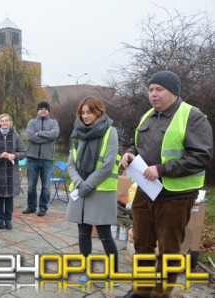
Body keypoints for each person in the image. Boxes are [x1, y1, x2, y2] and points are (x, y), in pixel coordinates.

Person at [118, 70, 213, 298]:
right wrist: (130, 153)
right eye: (150, 90)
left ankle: (160, 294)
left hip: (175, 196)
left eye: (159, 89)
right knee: (142, 245)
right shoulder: (147, 116)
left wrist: (162, 169)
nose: (153, 94)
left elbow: (202, 156)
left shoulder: (192, 116)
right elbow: (137, 145)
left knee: (169, 250)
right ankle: (141, 291)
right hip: (145, 191)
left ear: (174, 92)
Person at [65, 96, 119, 283]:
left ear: (99, 112)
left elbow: (108, 164)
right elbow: (71, 163)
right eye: (83, 112)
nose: (86, 116)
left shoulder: (110, 132)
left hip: (100, 191)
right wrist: (79, 182)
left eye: (90, 112)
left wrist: (88, 184)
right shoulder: (76, 133)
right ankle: (85, 270)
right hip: (81, 190)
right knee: (83, 233)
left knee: (104, 234)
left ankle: (113, 271)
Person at [0, 114, 26, 230]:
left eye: (7, 120)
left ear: (10, 122)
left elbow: (23, 152)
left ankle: (8, 220)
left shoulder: (16, 136)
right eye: (2, 121)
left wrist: (14, 155)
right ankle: (0, 219)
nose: (4, 122)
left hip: (11, 172)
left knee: (9, 197)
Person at [24, 101, 59, 217]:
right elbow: (31, 137)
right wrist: (47, 138)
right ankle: (31, 206)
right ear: (37, 111)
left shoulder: (54, 123)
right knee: (31, 185)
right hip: (32, 158)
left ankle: (43, 207)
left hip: (47, 159)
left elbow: (55, 134)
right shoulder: (32, 122)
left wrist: (39, 133)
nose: (43, 110)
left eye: (45, 108)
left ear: (49, 111)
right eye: (41, 108)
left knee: (46, 186)